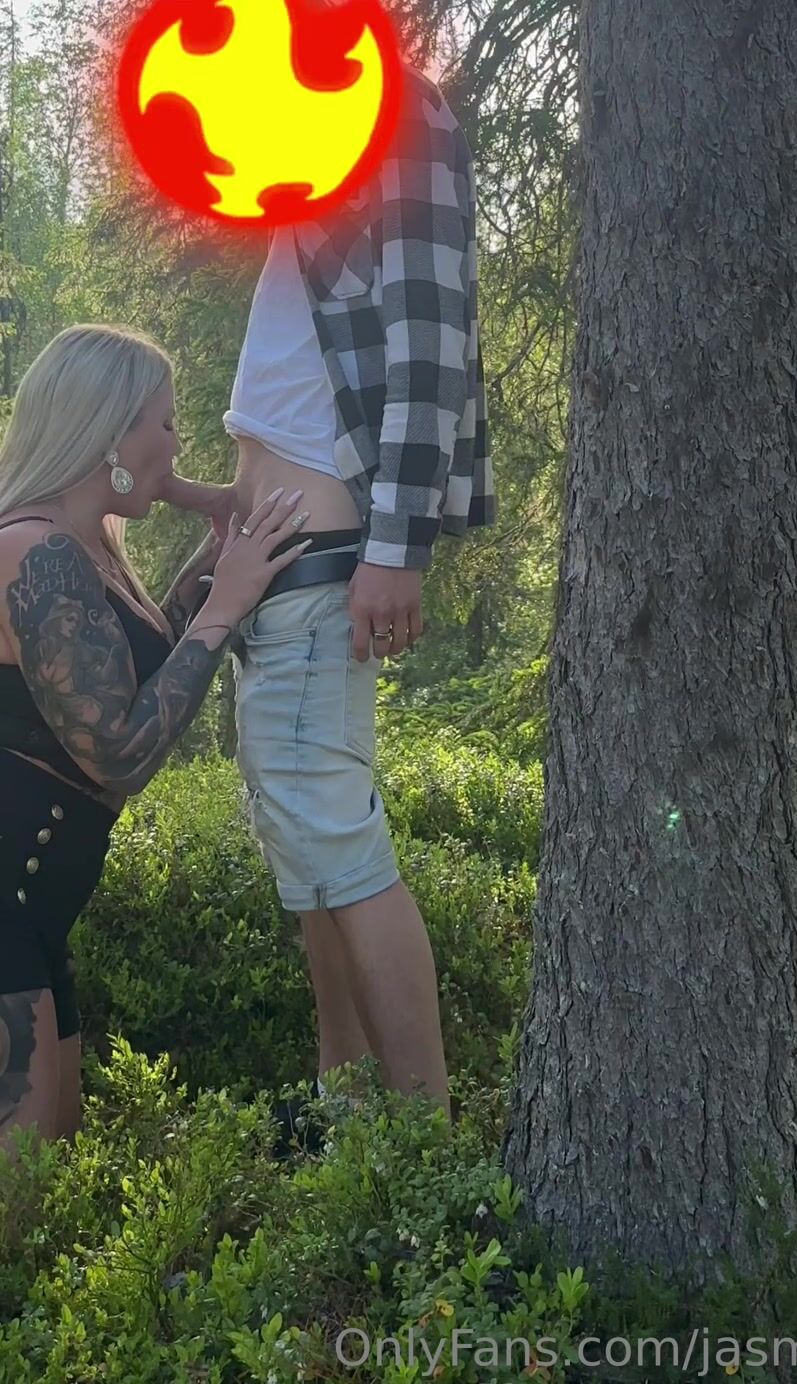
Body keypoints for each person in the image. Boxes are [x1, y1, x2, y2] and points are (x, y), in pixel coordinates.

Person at [166, 59, 495, 1121]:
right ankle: (347, 1117)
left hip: (324, 564)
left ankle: (423, 1147)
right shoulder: (318, 134)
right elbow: (304, 400)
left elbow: (430, 341)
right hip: (280, 567)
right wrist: (214, 503)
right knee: (309, 852)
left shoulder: (393, 102)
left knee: (340, 852)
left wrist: (397, 548)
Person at [0, 323, 310, 1153]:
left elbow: (130, 680)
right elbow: (120, 750)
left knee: (50, 1176)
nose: (178, 444)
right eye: (165, 423)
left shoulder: (85, 551)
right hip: (8, 902)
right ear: (109, 430)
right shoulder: (35, 553)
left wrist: (211, 563)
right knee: (19, 1197)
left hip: (35, 911)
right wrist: (225, 604)